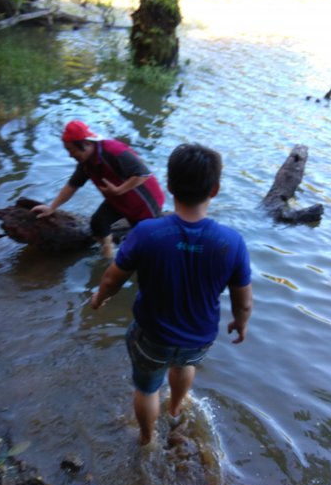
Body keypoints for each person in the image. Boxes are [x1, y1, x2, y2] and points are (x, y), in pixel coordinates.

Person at [91, 143, 252, 445]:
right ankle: (176, 409)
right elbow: (244, 301)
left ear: (168, 186)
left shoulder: (147, 233)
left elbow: (113, 278)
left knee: (147, 388)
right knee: (184, 365)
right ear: (214, 189)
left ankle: (147, 438)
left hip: (153, 336)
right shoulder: (232, 242)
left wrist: (100, 298)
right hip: (198, 338)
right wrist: (241, 323)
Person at [32, 120, 164, 258]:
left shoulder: (114, 151)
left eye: (71, 150)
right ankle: (109, 257)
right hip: (119, 200)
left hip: (144, 204)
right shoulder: (85, 163)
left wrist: (119, 190)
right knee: (98, 223)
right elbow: (72, 185)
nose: (70, 155)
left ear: (86, 144)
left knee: (149, 246)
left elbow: (143, 174)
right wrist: (52, 207)